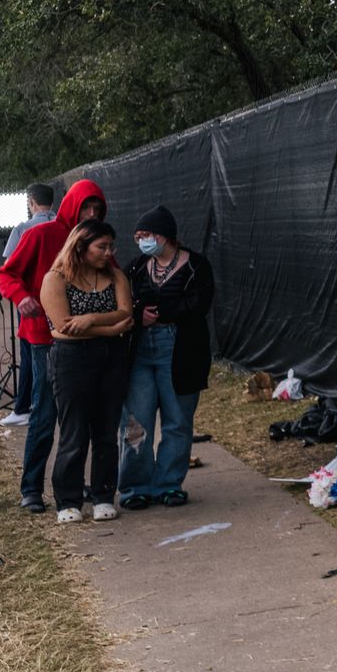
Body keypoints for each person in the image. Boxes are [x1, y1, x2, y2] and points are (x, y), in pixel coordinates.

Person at [0, 180, 106, 513]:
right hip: (44, 339)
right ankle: (31, 488)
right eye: (86, 207)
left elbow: (111, 276)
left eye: (97, 209)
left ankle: (72, 484)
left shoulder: (94, 243)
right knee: (44, 413)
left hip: (83, 339)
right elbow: (6, 273)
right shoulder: (41, 235)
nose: (91, 214)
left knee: (78, 416)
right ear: (72, 205)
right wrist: (22, 296)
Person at [120, 206, 214, 509]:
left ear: (163, 235)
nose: (141, 241)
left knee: (177, 421)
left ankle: (168, 484)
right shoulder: (135, 267)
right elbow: (122, 301)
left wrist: (161, 313)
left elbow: (199, 304)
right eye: (137, 237)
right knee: (136, 422)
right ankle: (135, 487)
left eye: (145, 235)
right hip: (141, 351)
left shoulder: (196, 266)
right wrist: (138, 316)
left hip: (181, 349)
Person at [40, 218, 132, 524]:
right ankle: (68, 500)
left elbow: (126, 315)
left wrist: (90, 319)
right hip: (71, 360)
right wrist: (110, 329)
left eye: (111, 246)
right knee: (74, 431)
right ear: (80, 247)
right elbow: (63, 330)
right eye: (101, 246)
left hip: (112, 360)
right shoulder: (56, 279)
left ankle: (104, 495)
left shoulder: (115, 276)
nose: (108, 252)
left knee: (106, 431)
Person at [0, 183, 56, 428]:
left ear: (31, 201)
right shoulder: (66, 227)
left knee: (30, 355)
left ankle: (25, 407)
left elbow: (9, 266)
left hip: (33, 304)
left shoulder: (23, 229)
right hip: (64, 304)